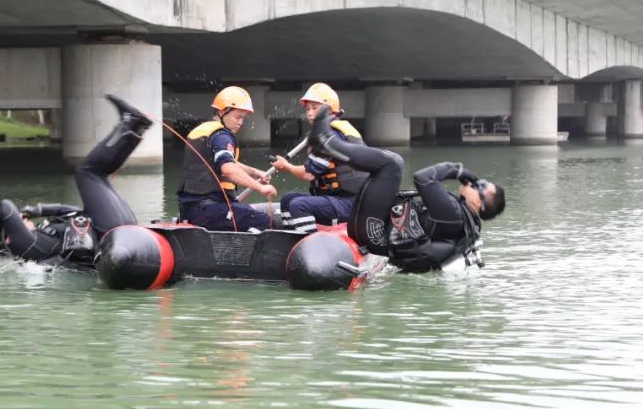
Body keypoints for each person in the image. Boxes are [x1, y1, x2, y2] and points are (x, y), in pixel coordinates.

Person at [308, 108, 506, 272]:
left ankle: (327, 143)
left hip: (373, 232)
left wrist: (457, 169)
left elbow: (423, 178)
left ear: (478, 203)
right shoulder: (462, 224)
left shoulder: (453, 214)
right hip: (375, 234)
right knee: (390, 165)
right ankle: (329, 146)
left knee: (392, 164)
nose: (474, 182)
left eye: (480, 185)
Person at [0, 94, 152, 264]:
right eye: (20, 221)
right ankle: (132, 124)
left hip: (112, 230)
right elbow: (4, 207)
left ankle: (135, 127)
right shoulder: (25, 245)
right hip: (108, 233)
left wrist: (36, 210)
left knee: (98, 176)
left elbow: (70, 210)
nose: (24, 220)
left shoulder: (42, 236)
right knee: (87, 172)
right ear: (10, 238)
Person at [269, 82, 368, 233]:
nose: (309, 113)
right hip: (335, 199)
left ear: (329, 110)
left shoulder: (332, 136)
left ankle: (308, 241)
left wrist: (286, 166)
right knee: (288, 199)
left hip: (350, 203)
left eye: (315, 108)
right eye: (307, 109)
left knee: (299, 205)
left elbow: (309, 174)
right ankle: (292, 239)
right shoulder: (326, 133)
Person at [177, 86, 278, 231]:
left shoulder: (206, 132)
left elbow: (228, 162)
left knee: (244, 212)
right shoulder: (222, 136)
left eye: (243, 118)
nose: (240, 122)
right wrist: (260, 188)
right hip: (209, 210)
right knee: (266, 222)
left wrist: (255, 172)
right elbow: (228, 169)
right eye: (238, 117)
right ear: (222, 112)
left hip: (191, 209)